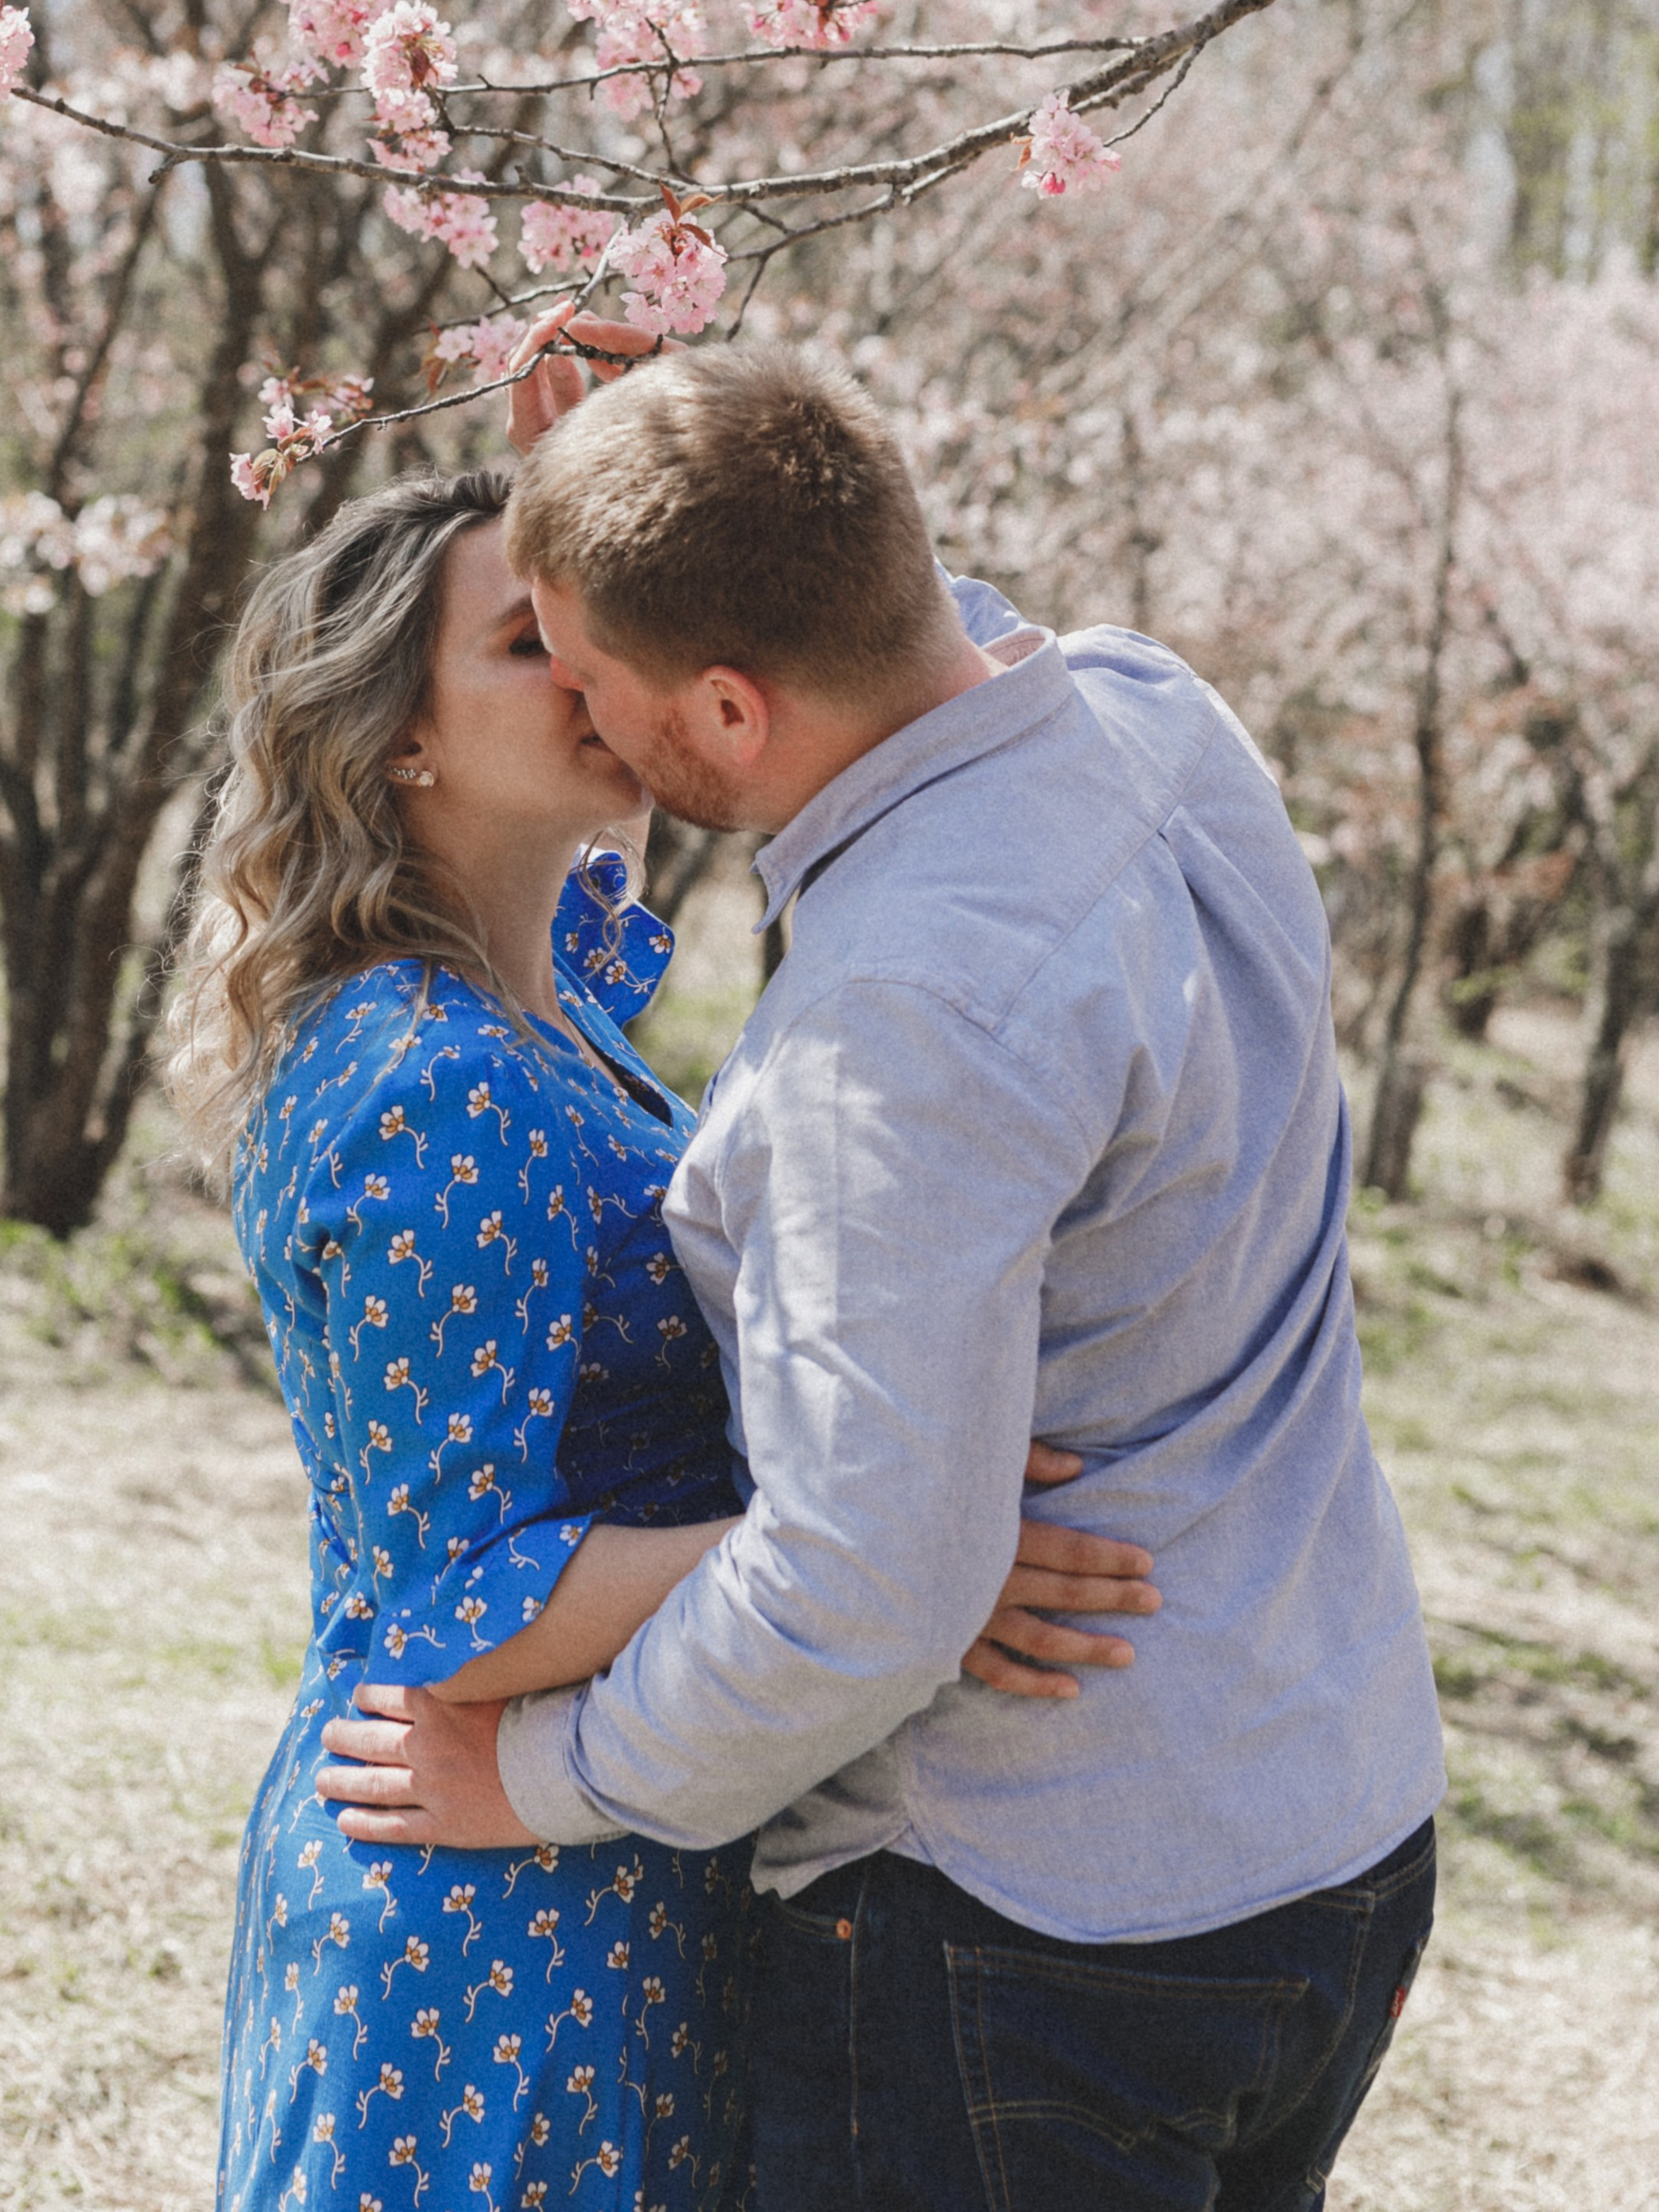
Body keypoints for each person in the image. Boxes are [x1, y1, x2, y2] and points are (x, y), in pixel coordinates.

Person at [316, 342, 1448, 2212]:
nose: (592, 726)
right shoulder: (1150, 718)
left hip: (1035, 1924)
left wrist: (540, 1776)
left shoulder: (897, 1025)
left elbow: (864, 1589)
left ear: (735, 714)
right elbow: (891, 619)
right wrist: (646, 475)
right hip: (1327, 1809)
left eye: (592, 677)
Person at [173, 463, 1162, 2212]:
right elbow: (454, 1603)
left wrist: (673, 475)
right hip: (482, 1909)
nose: (591, 668)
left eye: (588, 627)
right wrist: (899, 1549)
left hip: (611, 1850)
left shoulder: (536, 978)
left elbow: (860, 654)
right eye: (525, 643)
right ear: (398, 731)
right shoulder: (432, 1084)